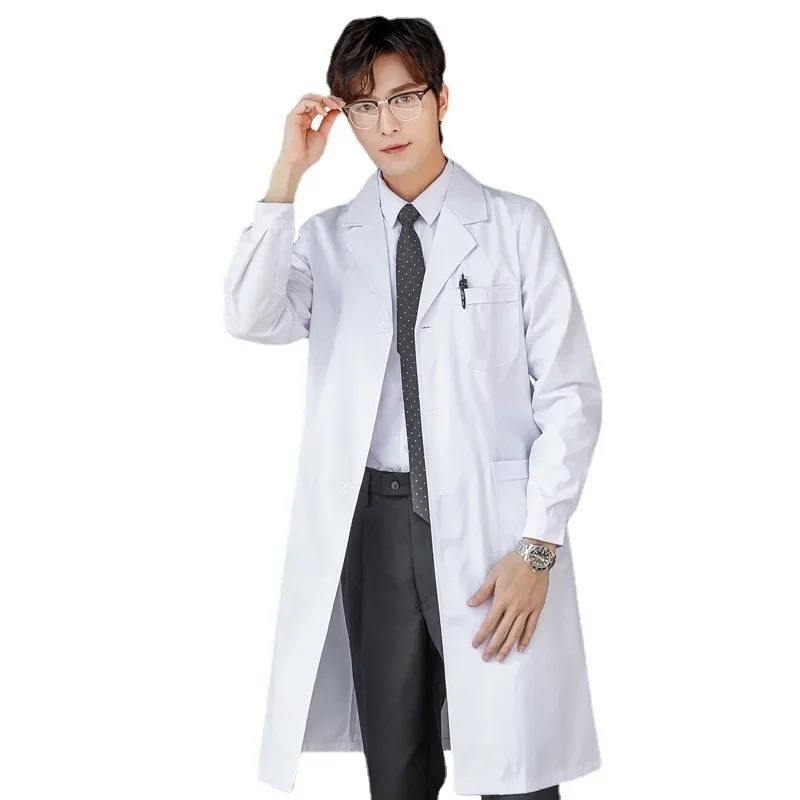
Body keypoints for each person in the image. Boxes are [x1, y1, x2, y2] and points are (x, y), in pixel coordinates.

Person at [223, 15, 602, 800]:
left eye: (403, 98)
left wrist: (538, 549)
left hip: (497, 533)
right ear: (345, 116)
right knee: (396, 774)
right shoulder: (330, 239)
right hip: (375, 527)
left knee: (516, 773)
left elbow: (570, 396)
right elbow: (251, 316)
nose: (386, 123)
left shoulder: (514, 227)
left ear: (441, 100)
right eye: (364, 106)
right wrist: (287, 173)